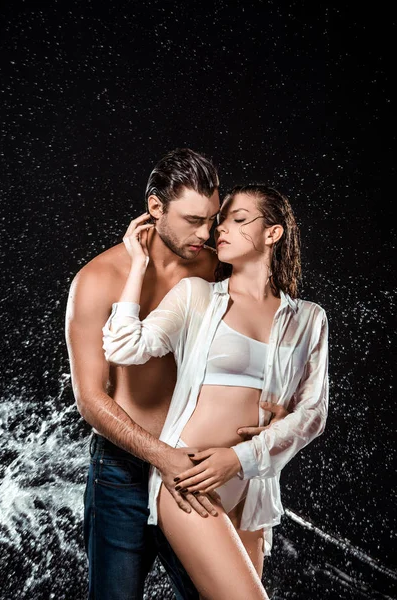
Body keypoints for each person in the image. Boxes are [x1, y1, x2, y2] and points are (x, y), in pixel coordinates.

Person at [65, 149, 287, 600]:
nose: (205, 234)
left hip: (198, 470)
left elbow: (272, 334)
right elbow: (90, 398)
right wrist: (161, 456)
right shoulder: (98, 279)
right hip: (122, 473)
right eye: (191, 220)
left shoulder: (218, 268)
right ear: (154, 208)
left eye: (212, 219)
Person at [102, 183, 329, 600]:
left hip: (254, 487)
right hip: (191, 479)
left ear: (272, 234)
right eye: (221, 220)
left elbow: (312, 412)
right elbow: (125, 347)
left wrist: (240, 457)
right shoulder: (197, 296)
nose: (220, 229)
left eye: (239, 220)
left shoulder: (309, 318)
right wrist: (137, 265)